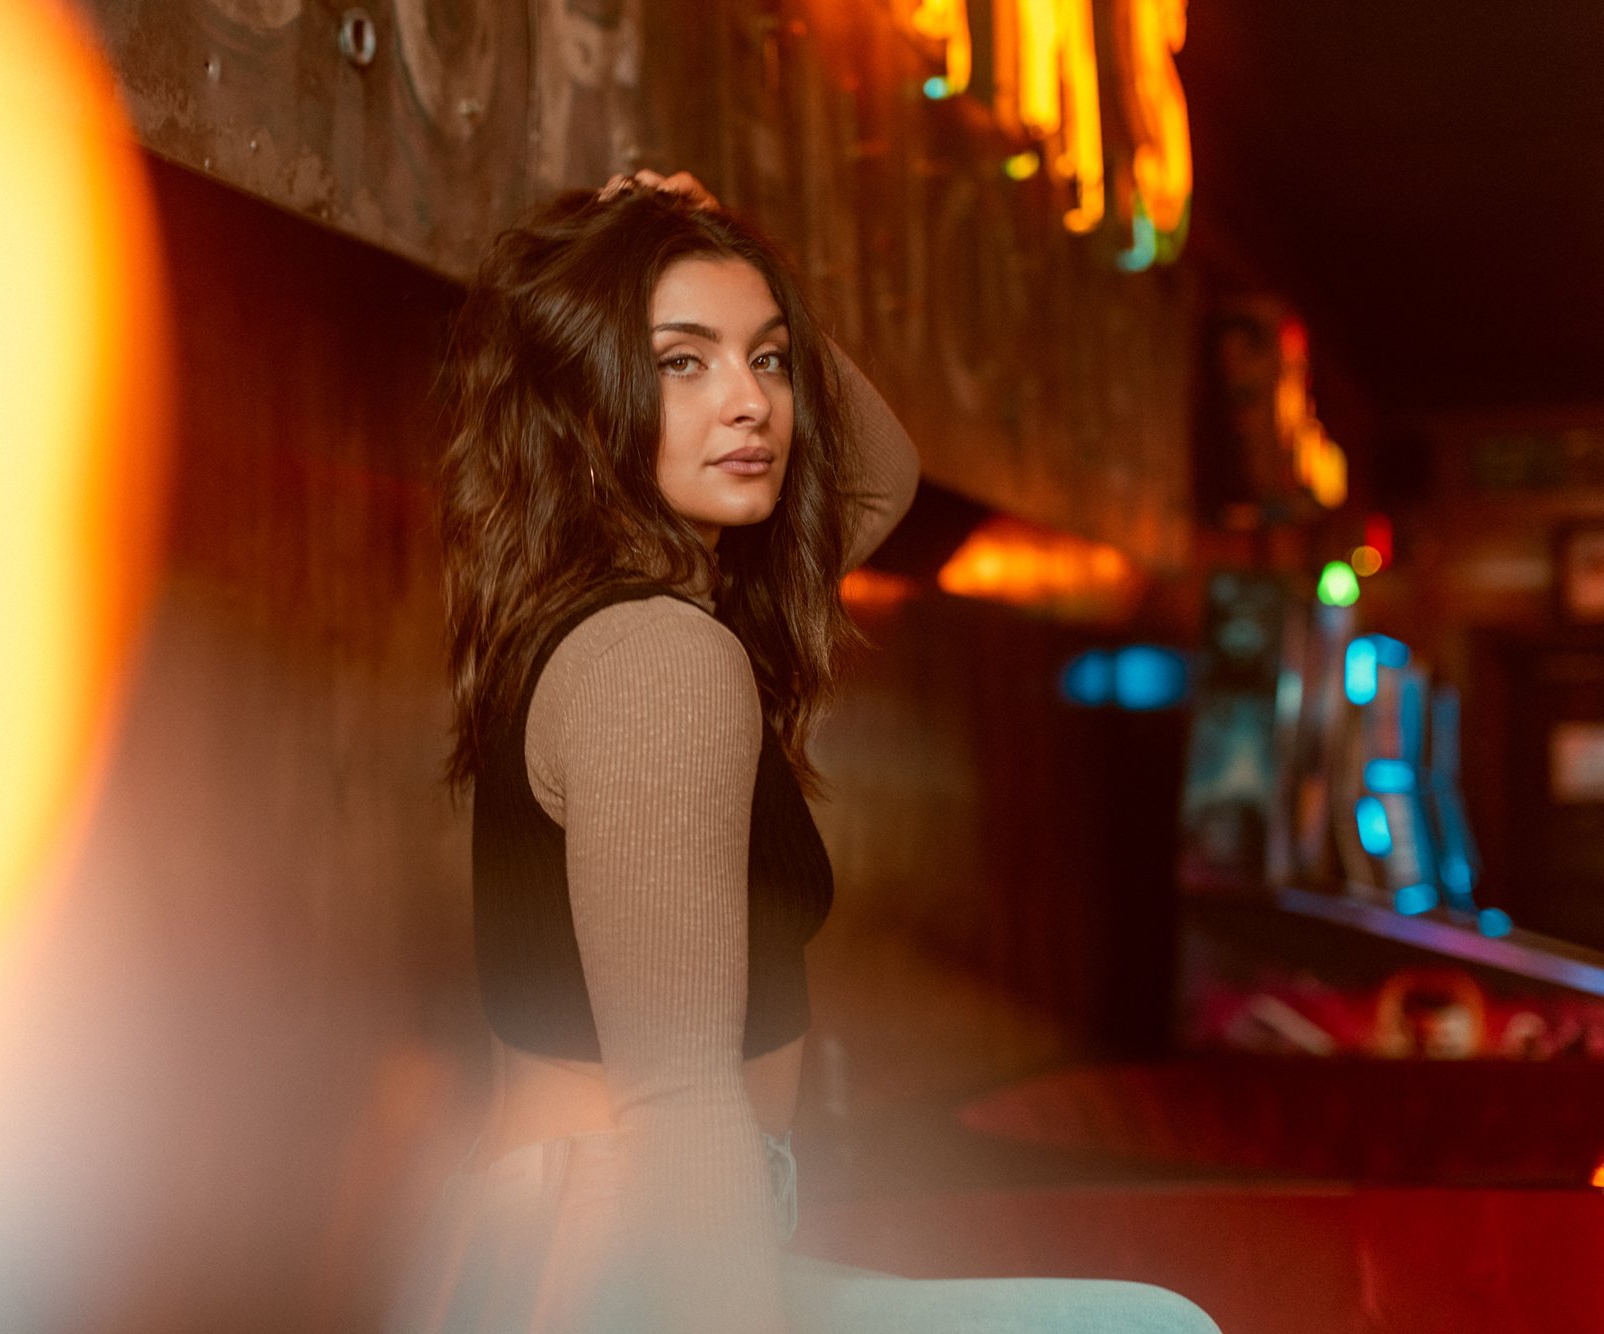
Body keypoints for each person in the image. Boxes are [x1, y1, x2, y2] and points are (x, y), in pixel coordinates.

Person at [393, 171, 1220, 1334]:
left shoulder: (617, 615)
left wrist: (722, 242)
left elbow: (874, 474)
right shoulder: (659, 657)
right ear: (585, 402)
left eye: (767, 359)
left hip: (585, 1240)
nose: (750, 402)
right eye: (682, 362)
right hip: (614, 1257)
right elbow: (677, 1095)